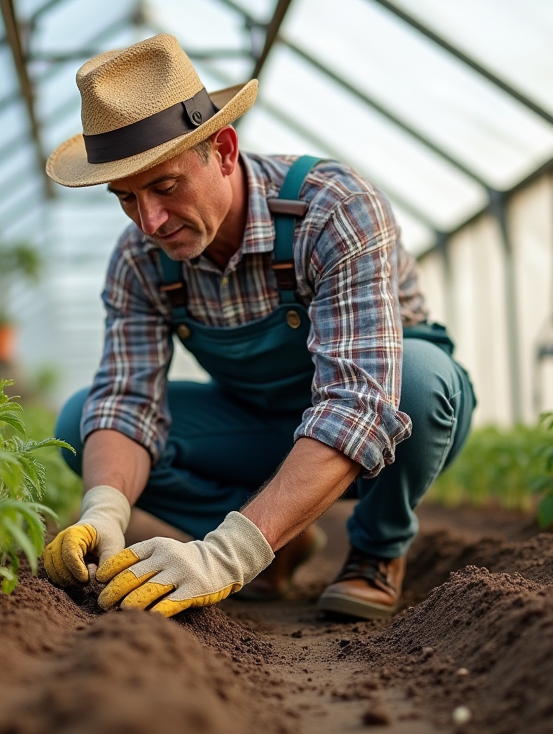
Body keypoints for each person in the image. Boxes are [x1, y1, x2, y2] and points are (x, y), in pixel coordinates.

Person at [41, 33, 475, 620]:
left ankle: (376, 550)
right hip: (262, 427)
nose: (150, 221)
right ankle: (285, 540)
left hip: (387, 429)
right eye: (126, 198)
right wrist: (105, 510)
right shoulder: (140, 260)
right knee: (82, 419)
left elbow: (359, 402)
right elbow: (127, 399)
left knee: (419, 382)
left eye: (165, 187)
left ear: (222, 150)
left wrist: (227, 554)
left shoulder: (331, 208)